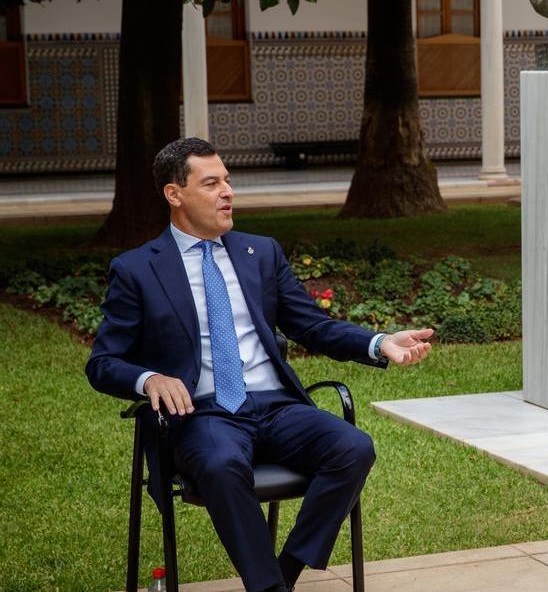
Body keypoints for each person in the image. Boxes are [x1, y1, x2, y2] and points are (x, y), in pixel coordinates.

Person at [85, 137, 435, 592]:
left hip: (275, 406)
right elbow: (103, 363)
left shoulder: (260, 252)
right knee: (220, 463)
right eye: (211, 183)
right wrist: (149, 378)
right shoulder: (137, 269)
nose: (227, 191)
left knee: (353, 447)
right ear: (175, 194)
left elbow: (312, 326)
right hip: (203, 411)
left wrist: (378, 341)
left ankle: (284, 573)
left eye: (228, 180)